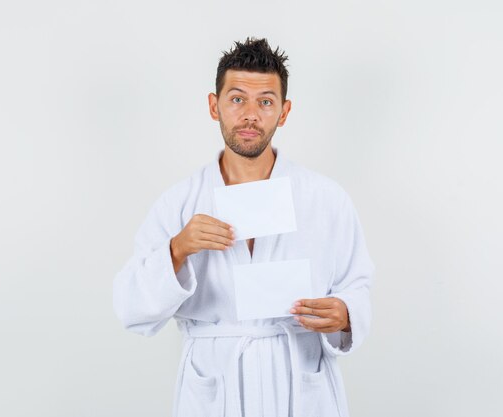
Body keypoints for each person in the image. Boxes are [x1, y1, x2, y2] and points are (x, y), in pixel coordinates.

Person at [113, 37, 374, 417]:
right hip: (215, 386)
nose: (250, 114)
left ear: (283, 112)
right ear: (213, 105)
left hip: (299, 383)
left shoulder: (325, 199)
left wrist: (346, 313)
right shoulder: (180, 203)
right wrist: (177, 249)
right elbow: (130, 309)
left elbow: (359, 284)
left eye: (265, 102)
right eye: (237, 99)